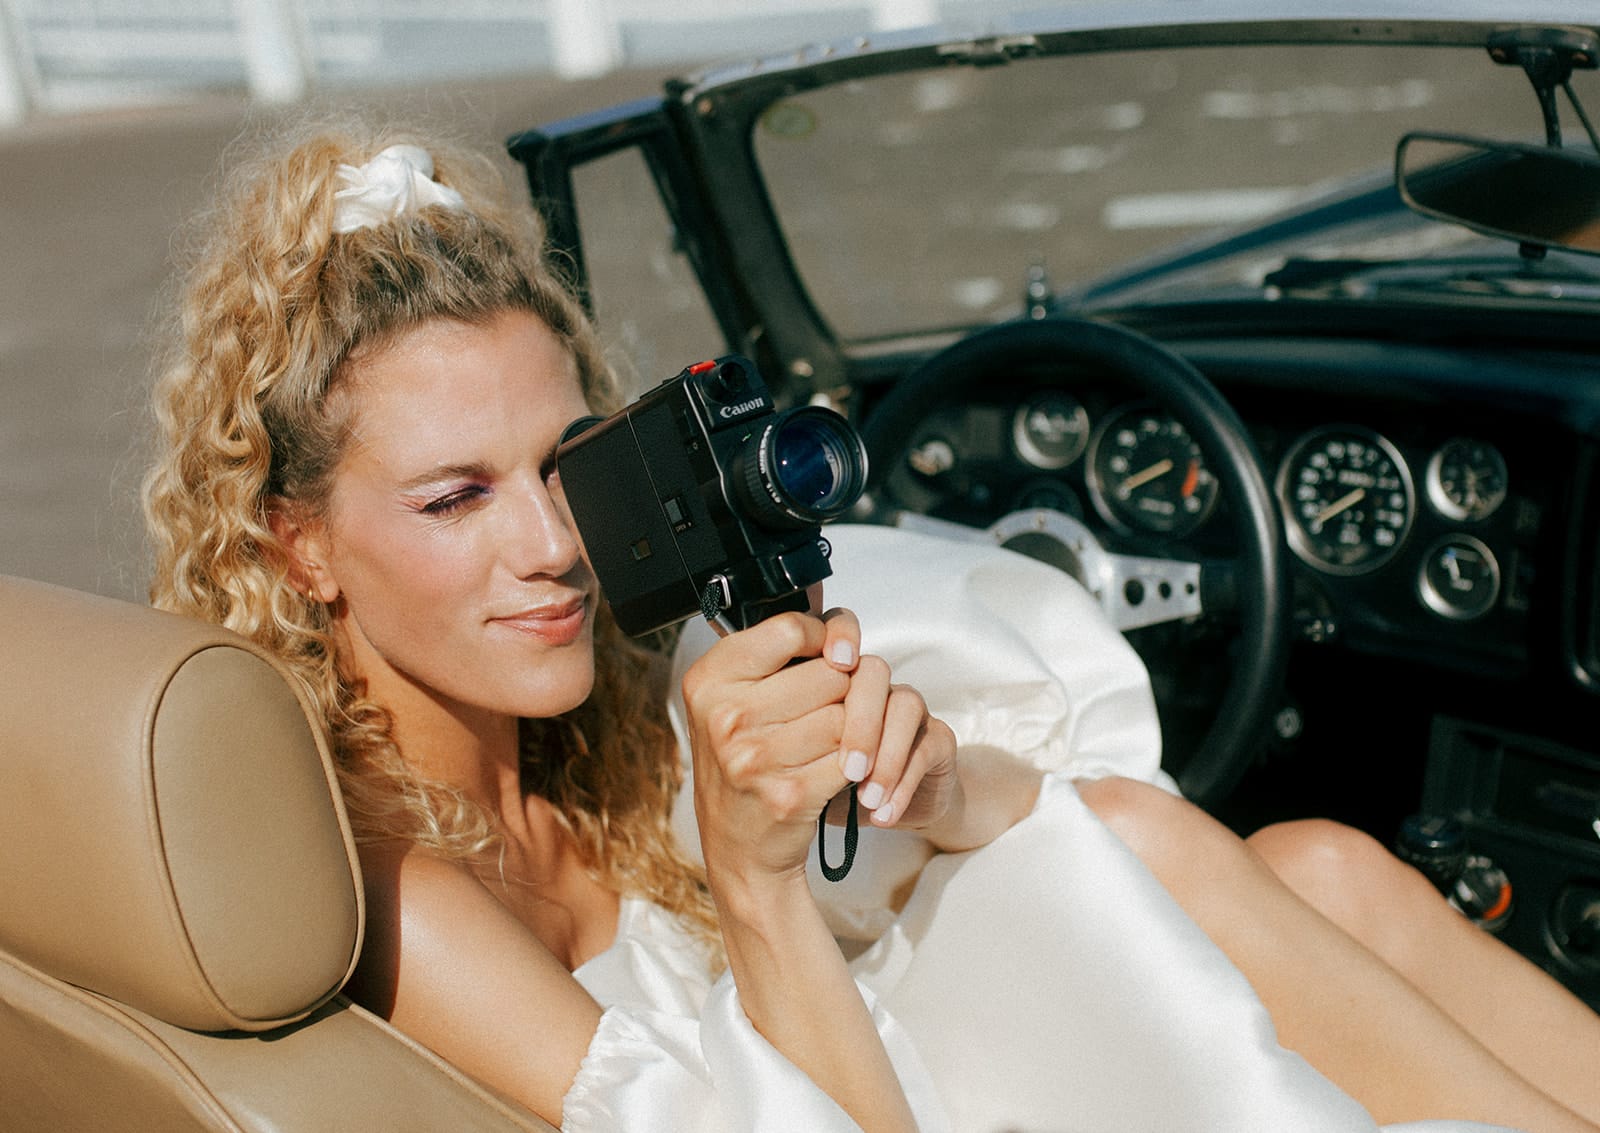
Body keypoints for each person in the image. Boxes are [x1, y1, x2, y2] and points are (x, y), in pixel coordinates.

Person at [140, 117, 1600, 1133]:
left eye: (568, 463)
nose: (552, 545)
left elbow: (976, 846)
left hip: (902, 1046)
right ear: (302, 543)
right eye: (455, 498)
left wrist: (941, 784)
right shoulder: (406, 886)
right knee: (1168, 852)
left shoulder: (601, 736)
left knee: (1321, 864)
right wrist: (759, 882)